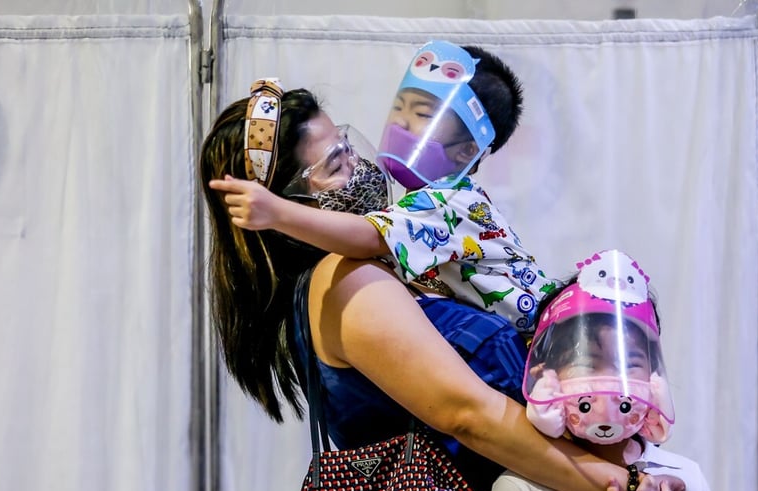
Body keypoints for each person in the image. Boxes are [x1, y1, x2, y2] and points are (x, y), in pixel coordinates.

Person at [200, 79, 689, 491]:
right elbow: (469, 415)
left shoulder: (399, 265)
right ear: (278, 206)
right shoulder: (345, 281)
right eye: (334, 165)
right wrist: (624, 488)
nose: (357, 167)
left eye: (346, 145)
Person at [213, 40, 558, 334]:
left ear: (469, 150)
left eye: (423, 116)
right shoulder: (424, 205)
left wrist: (277, 212)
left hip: (549, 336)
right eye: (401, 110)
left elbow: (368, 236)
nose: (402, 126)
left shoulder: (447, 202)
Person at [483, 249, 732, 491]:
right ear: (546, 375)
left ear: (653, 377)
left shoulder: (683, 481)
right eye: (588, 362)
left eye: (629, 363)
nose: (610, 382)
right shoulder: (521, 489)